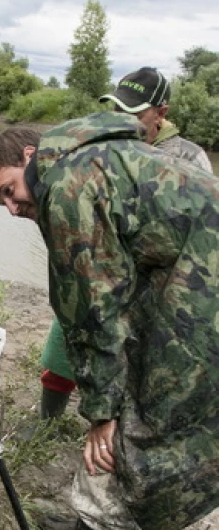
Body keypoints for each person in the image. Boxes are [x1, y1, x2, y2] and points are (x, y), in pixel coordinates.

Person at [0, 115, 219, 530]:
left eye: (8, 190)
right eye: (0, 202)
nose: (11, 207)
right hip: (189, 281)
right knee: (127, 402)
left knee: (131, 429)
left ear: (29, 158)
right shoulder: (92, 156)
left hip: (203, 304)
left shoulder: (66, 183)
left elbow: (92, 308)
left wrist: (102, 413)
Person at [39, 66, 213, 424]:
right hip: (100, 262)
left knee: (138, 362)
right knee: (66, 335)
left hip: (152, 282)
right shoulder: (104, 143)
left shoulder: (187, 157)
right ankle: (47, 420)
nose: (123, 117)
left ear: (161, 112)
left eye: (135, 111)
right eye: (118, 107)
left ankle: (116, 429)